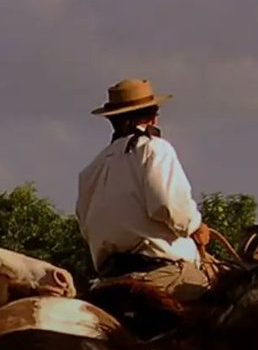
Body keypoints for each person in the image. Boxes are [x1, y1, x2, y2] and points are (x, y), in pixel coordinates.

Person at [76, 77, 212, 300]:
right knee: (228, 305)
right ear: (153, 117)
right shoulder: (155, 149)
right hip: (162, 274)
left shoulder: (92, 169)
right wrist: (195, 225)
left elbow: (86, 227)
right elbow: (170, 208)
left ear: (112, 120)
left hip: (109, 279)